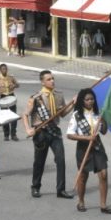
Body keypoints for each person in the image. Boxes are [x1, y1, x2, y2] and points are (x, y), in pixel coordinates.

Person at [23, 70, 74, 199]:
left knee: (61, 160)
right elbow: (25, 114)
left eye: (53, 78)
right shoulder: (35, 98)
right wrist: (28, 129)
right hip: (41, 132)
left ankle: (60, 190)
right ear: (42, 82)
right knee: (39, 162)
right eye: (49, 79)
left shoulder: (58, 95)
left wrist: (73, 103)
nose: (52, 81)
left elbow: (62, 114)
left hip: (54, 131)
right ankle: (35, 187)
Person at [67, 88, 111, 214]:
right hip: (83, 147)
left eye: (92, 99)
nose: (90, 101)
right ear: (82, 101)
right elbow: (70, 135)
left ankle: (103, 205)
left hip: (97, 146)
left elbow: (104, 131)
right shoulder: (77, 115)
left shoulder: (98, 114)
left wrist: (103, 120)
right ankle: (81, 201)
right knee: (83, 176)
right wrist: (87, 137)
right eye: (87, 99)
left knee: (103, 174)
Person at [0, 63, 19, 141]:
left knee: (13, 116)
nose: (4, 70)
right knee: (5, 116)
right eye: (3, 69)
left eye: (5, 69)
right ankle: (6, 134)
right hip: (3, 97)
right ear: (0, 70)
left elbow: (17, 84)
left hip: (11, 96)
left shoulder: (11, 77)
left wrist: (14, 86)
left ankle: (13, 134)